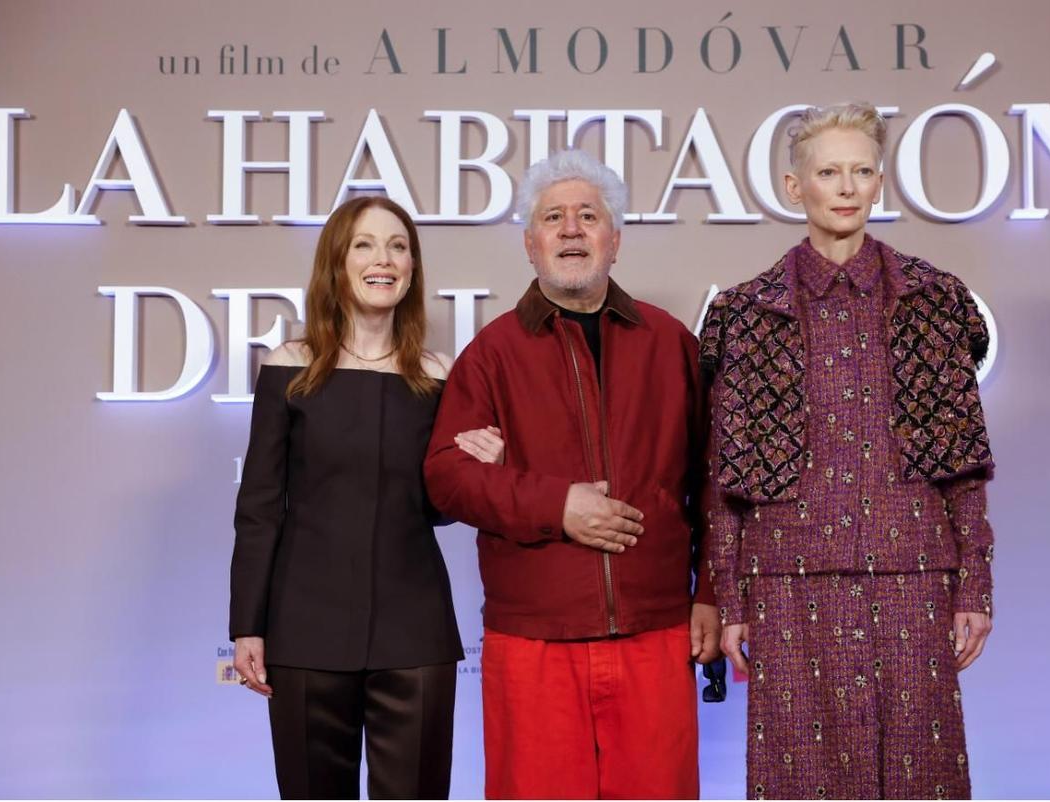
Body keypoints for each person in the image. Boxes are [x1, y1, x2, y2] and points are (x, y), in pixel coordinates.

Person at [700, 103, 995, 800]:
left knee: (921, 781)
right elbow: (722, 479)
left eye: (861, 171)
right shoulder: (745, 314)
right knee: (798, 782)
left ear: (879, 182)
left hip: (916, 575)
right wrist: (729, 596)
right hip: (787, 581)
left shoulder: (934, 301)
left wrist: (974, 583)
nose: (846, 186)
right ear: (794, 186)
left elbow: (964, 465)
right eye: (828, 171)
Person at [423, 149, 721, 800]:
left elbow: (717, 485)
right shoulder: (491, 354)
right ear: (530, 244)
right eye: (552, 217)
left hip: (656, 632)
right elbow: (446, 476)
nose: (570, 229)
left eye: (588, 215)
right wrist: (555, 504)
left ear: (614, 240)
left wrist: (713, 594)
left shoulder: (670, 343)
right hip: (532, 643)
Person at [228, 195, 503, 800]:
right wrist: (248, 626)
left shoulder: (439, 375)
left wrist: (481, 468)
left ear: (412, 268)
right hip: (304, 628)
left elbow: (437, 506)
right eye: (365, 244)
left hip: (414, 631)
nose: (385, 259)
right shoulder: (288, 368)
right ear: (337, 262)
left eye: (399, 246)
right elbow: (261, 505)